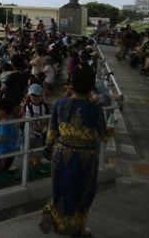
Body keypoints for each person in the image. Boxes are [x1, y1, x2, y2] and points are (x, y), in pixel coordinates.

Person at [40, 65, 108, 236]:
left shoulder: (60, 103)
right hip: (85, 157)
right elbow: (103, 133)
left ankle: (51, 213)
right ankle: (76, 228)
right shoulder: (95, 108)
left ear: (72, 84)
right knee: (82, 191)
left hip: (61, 152)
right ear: (91, 85)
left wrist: (48, 146)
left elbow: (52, 130)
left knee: (60, 187)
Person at [0, 99, 20, 172]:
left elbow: (4, 139)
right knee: (0, 170)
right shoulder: (11, 120)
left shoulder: (4, 123)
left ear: (3, 111)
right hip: (9, 151)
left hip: (4, 153)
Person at [24, 83, 49, 165]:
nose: (35, 97)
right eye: (32, 95)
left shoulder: (44, 106)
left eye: (37, 95)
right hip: (29, 134)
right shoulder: (28, 106)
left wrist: (42, 126)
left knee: (38, 152)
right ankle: (31, 165)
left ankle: (36, 163)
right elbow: (27, 119)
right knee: (27, 152)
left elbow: (47, 118)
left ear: (41, 95)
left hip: (39, 134)